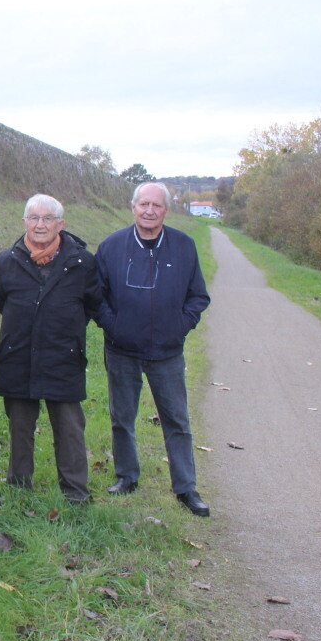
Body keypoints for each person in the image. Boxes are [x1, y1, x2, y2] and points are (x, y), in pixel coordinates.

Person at [95, 182, 212, 516]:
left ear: (166, 210)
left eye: (156, 205)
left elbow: (198, 296)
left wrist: (179, 326)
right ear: (133, 207)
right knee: (122, 417)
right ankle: (127, 477)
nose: (149, 211)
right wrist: (114, 326)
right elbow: (96, 296)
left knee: (177, 420)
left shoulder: (184, 246)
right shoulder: (111, 246)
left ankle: (186, 488)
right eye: (143, 204)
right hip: (122, 349)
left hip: (167, 352)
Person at [0, 194, 101, 503]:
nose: (40, 225)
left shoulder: (82, 263)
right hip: (17, 355)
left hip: (63, 356)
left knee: (69, 428)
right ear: (24, 222)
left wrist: (63, 330)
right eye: (34, 218)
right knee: (20, 427)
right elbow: (1, 300)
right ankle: (18, 489)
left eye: (48, 218)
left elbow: (92, 304)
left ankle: (75, 493)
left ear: (60, 224)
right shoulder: (6, 260)